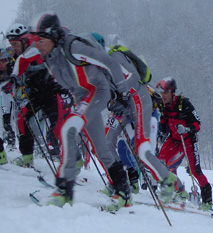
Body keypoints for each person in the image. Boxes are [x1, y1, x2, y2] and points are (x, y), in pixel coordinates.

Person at [28, 11, 177, 210]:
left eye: (40, 39)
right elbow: (28, 60)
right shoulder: (50, 55)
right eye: (33, 39)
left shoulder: (75, 47)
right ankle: (122, 190)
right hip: (92, 97)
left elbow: (111, 65)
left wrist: (122, 88)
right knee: (102, 146)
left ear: (53, 35)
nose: (36, 43)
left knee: (71, 129)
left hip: (119, 95)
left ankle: (64, 190)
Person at [6, 23, 65, 167]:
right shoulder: (16, 56)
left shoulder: (39, 49)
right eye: (11, 44)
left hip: (52, 93)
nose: (13, 47)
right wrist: (11, 80)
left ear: (25, 40)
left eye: (15, 43)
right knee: (22, 118)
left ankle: (72, 159)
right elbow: (15, 70)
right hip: (35, 94)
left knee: (58, 126)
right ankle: (27, 156)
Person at [156, 77, 212, 210]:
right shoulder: (163, 105)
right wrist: (159, 131)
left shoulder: (184, 104)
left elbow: (197, 124)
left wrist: (187, 128)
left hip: (187, 140)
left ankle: (207, 201)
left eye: (165, 93)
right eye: (161, 93)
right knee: (160, 163)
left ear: (172, 92)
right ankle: (170, 190)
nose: (163, 96)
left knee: (195, 171)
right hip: (174, 139)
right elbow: (164, 122)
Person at [0, 49, 16, 151]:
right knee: (6, 118)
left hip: (16, 95)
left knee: (16, 119)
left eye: (3, 61)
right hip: (5, 95)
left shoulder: (12, 67)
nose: (1, 64)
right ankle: (10, 140)